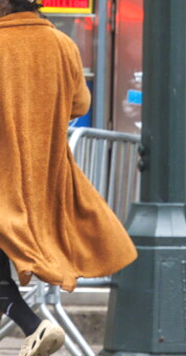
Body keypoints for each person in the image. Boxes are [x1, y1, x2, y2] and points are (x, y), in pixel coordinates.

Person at [0, 1, 138, 355]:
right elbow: (80, 104)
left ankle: (34, 325)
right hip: (43, 173)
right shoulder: (62, 44)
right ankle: (34, 326)